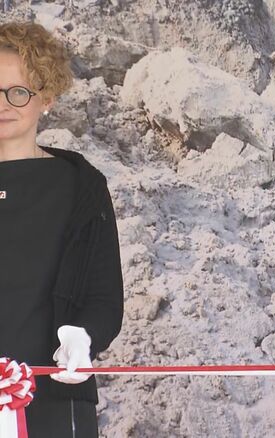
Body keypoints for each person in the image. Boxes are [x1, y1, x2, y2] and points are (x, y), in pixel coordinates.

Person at [0, 21, 123, 437]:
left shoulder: (82, 187)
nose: (3, 104)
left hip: (54, 401)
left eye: (19, 92)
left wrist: (83, 337)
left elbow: (104, 298)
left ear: (47, 97)